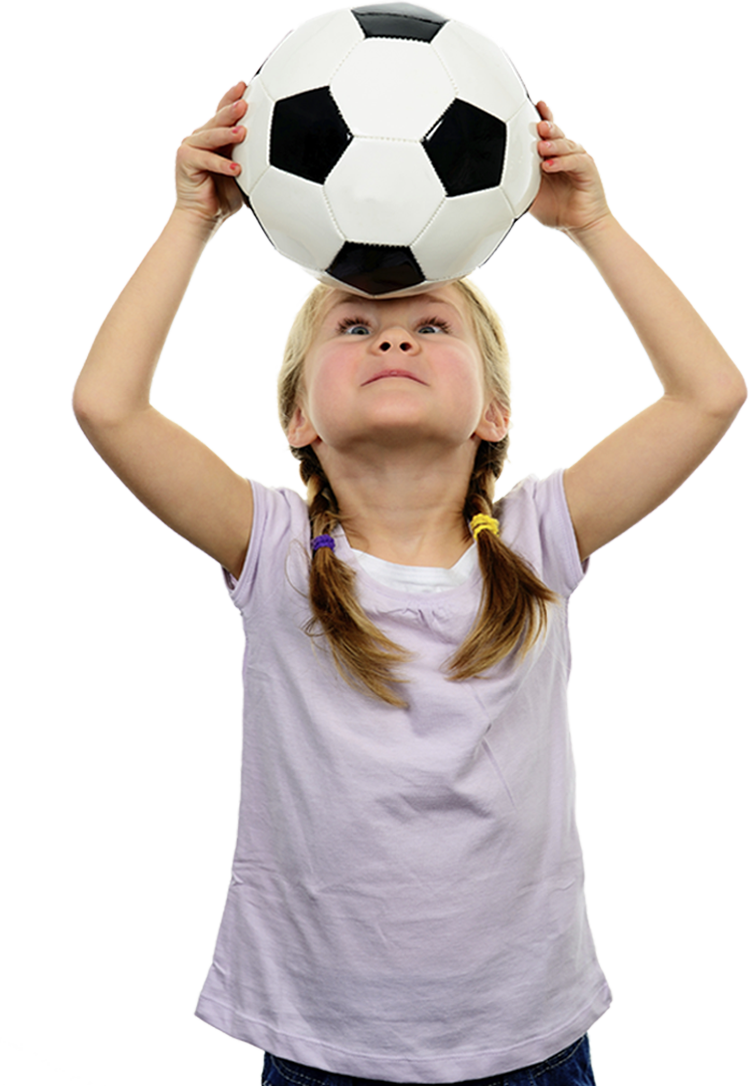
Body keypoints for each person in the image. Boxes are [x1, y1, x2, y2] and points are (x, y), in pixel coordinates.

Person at [72, 82, 746, 1086]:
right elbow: (108, 405)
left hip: (529, 1044)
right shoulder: (272, 549)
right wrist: (189, 220)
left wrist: (590, 225)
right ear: (298, 417)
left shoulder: (533, 541)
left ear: (493, 411)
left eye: (430, 326)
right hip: (319, 1048)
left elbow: (708, 394)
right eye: (351, 328)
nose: (390, 338)